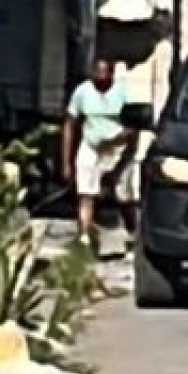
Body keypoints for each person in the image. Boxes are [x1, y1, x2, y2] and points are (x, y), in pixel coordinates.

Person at [62, 55, 134, 248]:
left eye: (104, 72)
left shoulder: (123, 93)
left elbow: (133, 125)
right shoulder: (82, 91)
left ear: (111, 73)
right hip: (91, 144)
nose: (100, 77)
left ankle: (132, 231)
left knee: (123, 193)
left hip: (116, 146)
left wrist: (123, 147)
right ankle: (84, 234)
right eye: (97, 72)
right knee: (86, 191)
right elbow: (70, 123)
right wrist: (66, 161)